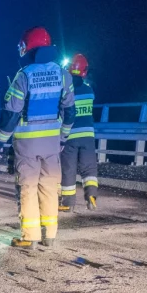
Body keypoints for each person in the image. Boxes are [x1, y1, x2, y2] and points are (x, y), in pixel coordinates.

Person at [0, 27, 75, 248]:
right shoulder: (63, 74)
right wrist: (63, 137)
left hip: (27, 143)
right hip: (52, 142)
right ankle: (49, 235)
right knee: (49, 186)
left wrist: (1, 140)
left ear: (27, 48)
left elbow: (12, 113)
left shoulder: (24, 75)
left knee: (28, 188)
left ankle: (30, 236)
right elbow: (70, 112)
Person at [59, 53, 98, 211]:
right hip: (88, 136)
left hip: (70, 136)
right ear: (84, 71)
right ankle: (91, 196)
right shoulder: (89, 91)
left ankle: (68, 203)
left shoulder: (66, 90)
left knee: (68, 169)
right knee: (89, 168)